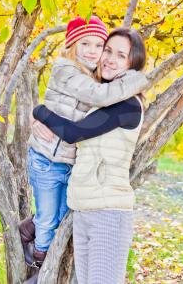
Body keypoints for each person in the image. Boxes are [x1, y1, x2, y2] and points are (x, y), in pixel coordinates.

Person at [19, 17, 148, 269]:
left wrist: (40, 112)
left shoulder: (124, 102)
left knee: (54, 216)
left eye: (119, 54)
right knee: (50, 215)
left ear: (133, 64)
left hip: (104, 204)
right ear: (72, 45)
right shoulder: (86, 79)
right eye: (107, 50)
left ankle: (37, 246)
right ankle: (40, 262)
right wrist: (40, 116)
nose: (105, 56)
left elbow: (73, 131)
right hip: (59, 168)